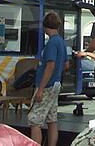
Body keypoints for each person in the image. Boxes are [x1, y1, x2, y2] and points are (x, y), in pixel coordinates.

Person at [29, 13, 67, 146]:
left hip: (47, 85)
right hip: (56, 83)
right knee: (52, 119)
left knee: (34, 119)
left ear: (45, 26)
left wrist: (40, 88)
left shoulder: (51, 43)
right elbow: (66, 64)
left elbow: (50, 65)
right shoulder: (61, 41)